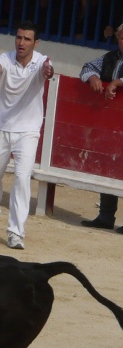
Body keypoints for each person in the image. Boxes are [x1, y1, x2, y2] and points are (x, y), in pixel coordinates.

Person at [0, 21, 54, 250]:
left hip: (28, 130)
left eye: (27, 39)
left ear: (35, 43)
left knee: (22, 178)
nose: (21, 42)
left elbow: (47, 72)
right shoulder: (5, 58)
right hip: (1, 126)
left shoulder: (42, 62)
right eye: (19, 37)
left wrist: (49, 71)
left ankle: (16, 232)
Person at [77, 23, 123, 232]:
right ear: (118, 39)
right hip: (110, 123)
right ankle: (106, 216)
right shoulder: (109, 58)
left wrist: (118, 82)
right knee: (109, 166)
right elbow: (86, 67)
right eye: (122, 38)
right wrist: (93, 77)